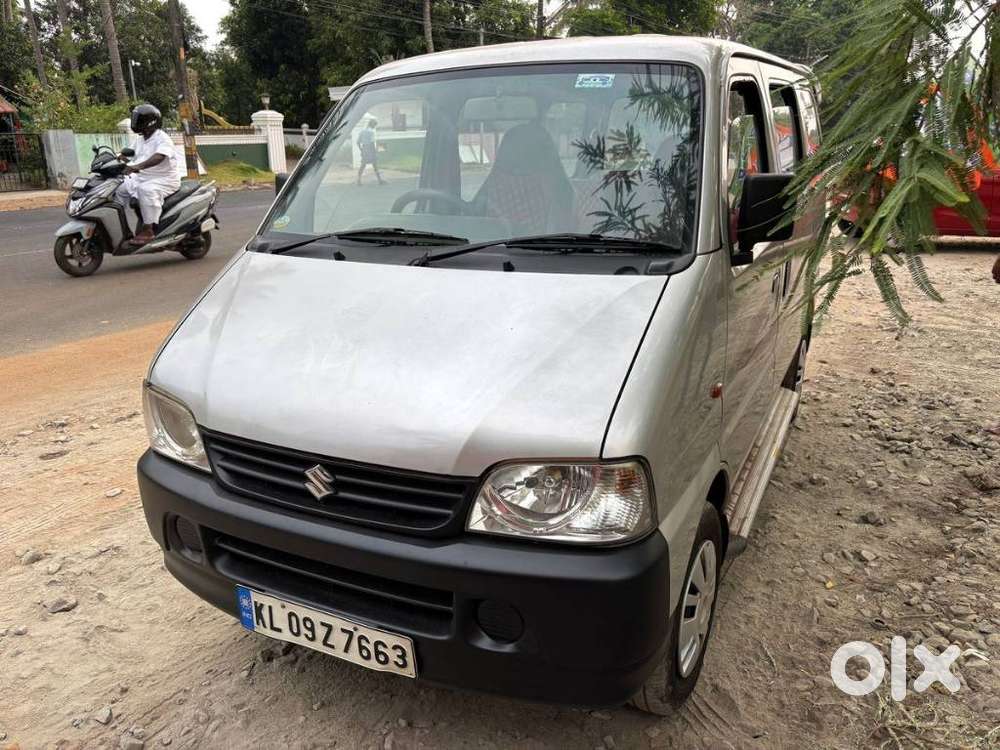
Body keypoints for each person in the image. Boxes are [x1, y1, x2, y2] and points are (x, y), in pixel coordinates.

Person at [116, 104, 181, 246]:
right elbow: (128, 153)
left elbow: (159, 157)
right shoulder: (141, 139)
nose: (135, 122)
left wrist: (137, 166)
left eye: (138, 119)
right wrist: (118, 157)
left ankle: (148, 229)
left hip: (164, 179)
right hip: (142, 177)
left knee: (146, 190)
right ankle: (121, 228)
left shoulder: (162, 138)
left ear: (150, 121)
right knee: (119, 188)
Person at [356, 118, 386, 185]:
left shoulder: (362, 131)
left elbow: (358, 142)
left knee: (363, 165)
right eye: (375, 125)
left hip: (364, 149)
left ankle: (358, 180)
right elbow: (372, 143)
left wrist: (361, 150)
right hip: (370, 149)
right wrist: (375, 152)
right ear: (372, 125)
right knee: (375, 165)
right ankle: (380, 180)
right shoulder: (372, 132)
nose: (375, 126)